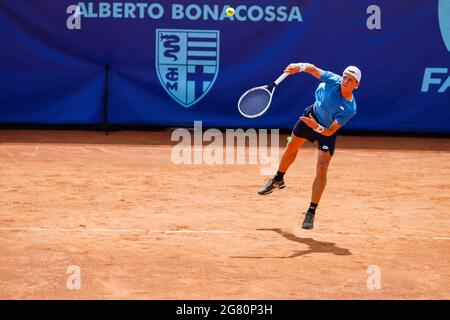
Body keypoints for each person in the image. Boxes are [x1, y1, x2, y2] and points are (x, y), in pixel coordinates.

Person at [258, 63, 361, 230]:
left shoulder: (350, 108)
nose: (345, 81)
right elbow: (313, 69)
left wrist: (316, 127)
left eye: (351, 80)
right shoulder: (334, 80)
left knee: (322, 168)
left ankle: (311, 212)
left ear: (356, 85)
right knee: (292, 146)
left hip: (323, 129)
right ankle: (278, 179)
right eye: (345, 77)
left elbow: (329, 131)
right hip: (310, 116)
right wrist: (299, 67)